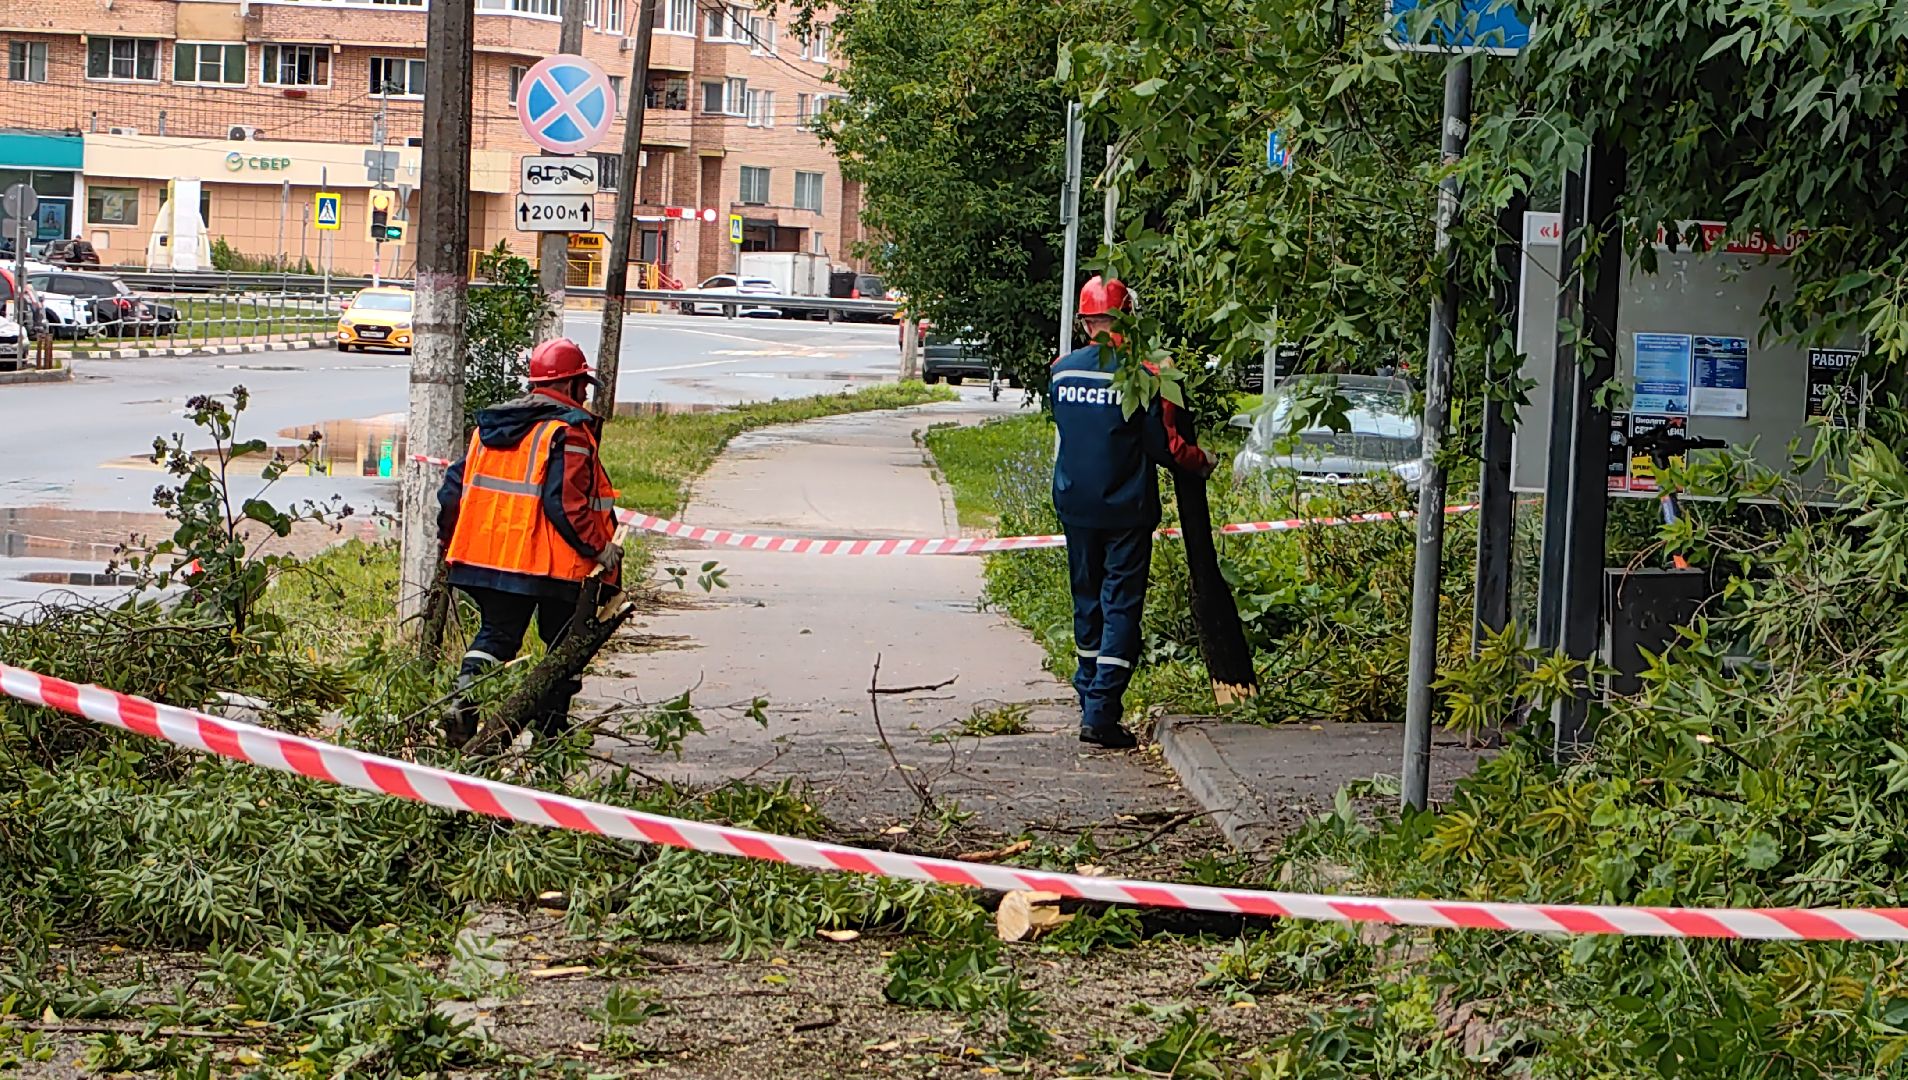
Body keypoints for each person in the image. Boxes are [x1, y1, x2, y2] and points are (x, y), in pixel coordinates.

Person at [1050, 276, 1216, 748]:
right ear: (1128, 315)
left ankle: (1089, 698)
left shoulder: (1062, 371)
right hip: (1125, 509)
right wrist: (1202, 462)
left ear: (1085, 322)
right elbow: (1165, 446)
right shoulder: (1145, 372)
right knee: (1119, 605)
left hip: (1074, 504)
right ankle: (1101, 714)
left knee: (1086, 602)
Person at [437, 337, 622, 748]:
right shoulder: (567, 432)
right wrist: (599, 548)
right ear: (572, 385)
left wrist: (452, 541)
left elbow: (453, 489)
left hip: (484, 559)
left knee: (498, 635)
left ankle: (463, 703)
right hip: (549, 565)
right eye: (584, 387)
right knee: (563, 646)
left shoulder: (491, 429)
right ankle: (549, 735)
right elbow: (567, 505)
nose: (586, 397)